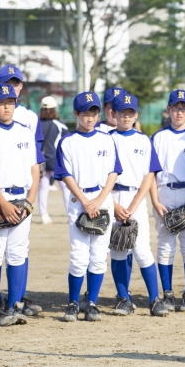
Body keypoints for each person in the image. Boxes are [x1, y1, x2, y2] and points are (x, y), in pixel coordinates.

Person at [55, 91, 122, 322]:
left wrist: (100, 200)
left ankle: (91, 303)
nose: (90, 117)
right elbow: (65, 174)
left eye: (94, 112)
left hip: (102, 200)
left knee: (98, 255)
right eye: (85, 113)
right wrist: (86, 201)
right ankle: (73, 302)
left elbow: (113, 172)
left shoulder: (107, 139)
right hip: (79, 201)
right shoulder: (68, 141)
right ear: (76, 113)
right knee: (79, 256)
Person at [108, 92, 167, 317]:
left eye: (130, 112)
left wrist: (133, 206)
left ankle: (155, 299)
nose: (126, 116)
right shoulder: (106, 139)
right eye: (122, 112)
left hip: (136, 199)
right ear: (113, 113)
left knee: (142, 250)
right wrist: (113, 205)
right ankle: (124, 299)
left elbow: (149, 175)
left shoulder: (143, 140)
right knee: (118, 251)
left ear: (136, 115)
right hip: (112, 199)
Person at [0, 84, 44, 326]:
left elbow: (35, 169)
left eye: (10, 102)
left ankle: (14, 306)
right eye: (1, 102)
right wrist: (2, 202)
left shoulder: (25, 131)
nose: (6, 106)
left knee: (18, 251)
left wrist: (30, 202)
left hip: (22, 198)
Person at [150, 90, 185, 312]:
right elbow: (151, 174)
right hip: (164, 192)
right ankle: (168, 294)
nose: (179, 111)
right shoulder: (158, 137)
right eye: (176, 107)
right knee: (165, 244)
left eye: (184, 108)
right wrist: (155, 201)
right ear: (169, 109)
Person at [38, 96, 70, 225]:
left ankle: (44, 215)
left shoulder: (37, 124)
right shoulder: (60, 124)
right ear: (55, 109)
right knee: (66, 188)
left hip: (41, 162)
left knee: (43, 188)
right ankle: (70, 214)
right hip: (57, 161)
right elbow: (67, 143)